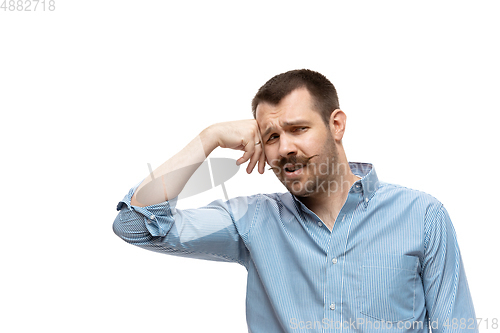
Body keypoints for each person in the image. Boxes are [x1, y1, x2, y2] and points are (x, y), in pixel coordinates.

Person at [113, 69, 477, 332]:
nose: (285, 147)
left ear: (336, 125)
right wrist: (209, 137)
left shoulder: (421, 216)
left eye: (298, 129)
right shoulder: (254, 221)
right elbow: (135, 224)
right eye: (270, 137)